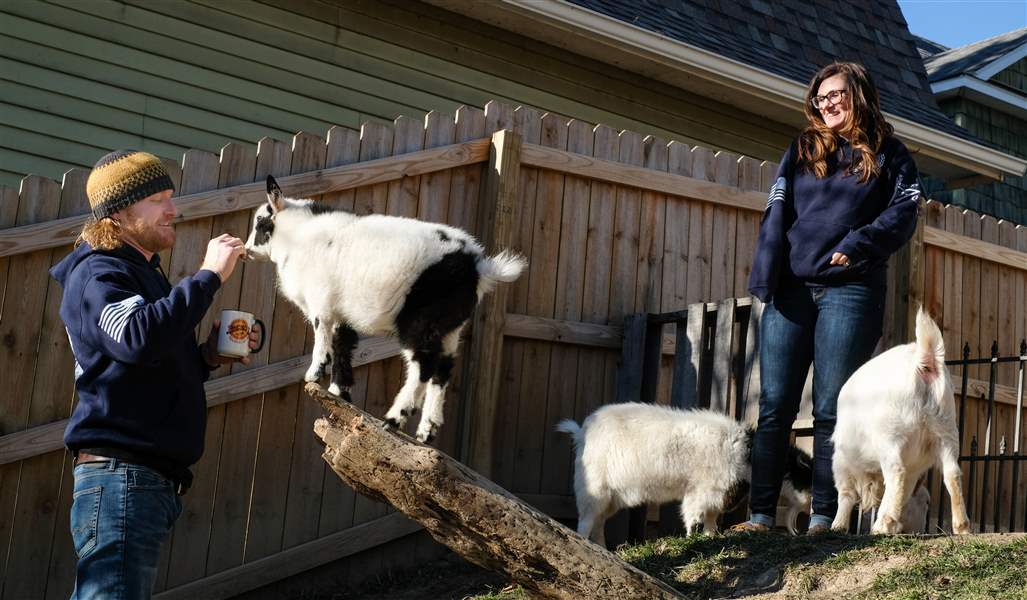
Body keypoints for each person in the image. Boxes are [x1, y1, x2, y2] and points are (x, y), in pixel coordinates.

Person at [49, 150, 262, 598]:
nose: (172, 209)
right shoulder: (98, 272)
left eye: (170, 196)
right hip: (121, 476)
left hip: (141, 480)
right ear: (119, 212)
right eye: (158, 199)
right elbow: (136, 336)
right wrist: (209, 276)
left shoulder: (140, 273)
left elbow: (143, 365)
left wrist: (207, 357)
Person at [731, 62, 921, 535]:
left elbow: (904, 212)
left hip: (851, 290)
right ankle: (759, 516)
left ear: (859, 94)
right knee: (774, 406)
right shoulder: (802, 150)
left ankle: (824, 517)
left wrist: (858, 245)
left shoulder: (890, 155)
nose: (827, 104)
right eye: (820, 98)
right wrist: (767, 271)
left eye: (836, 94)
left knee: (832, 409)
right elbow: (776, 213)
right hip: (792, 290)